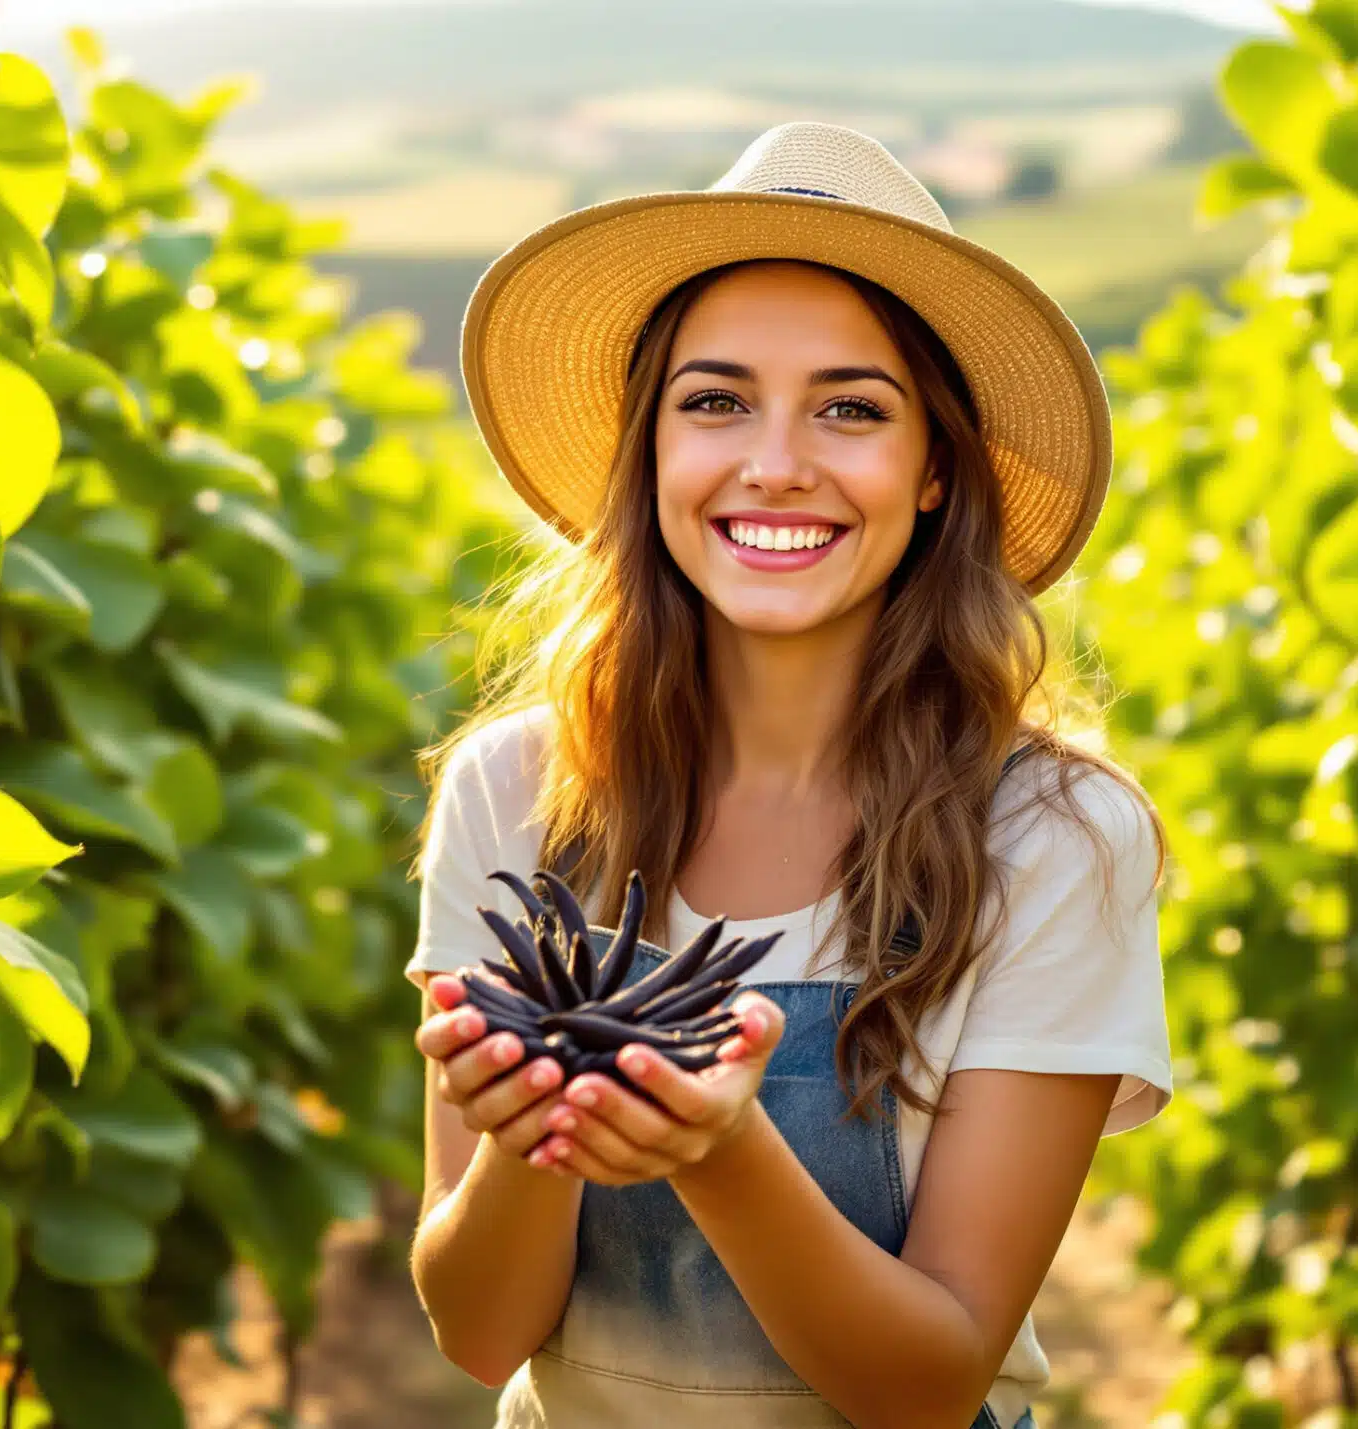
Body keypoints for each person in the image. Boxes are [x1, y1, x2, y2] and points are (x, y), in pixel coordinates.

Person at [401, 123, 1174, 1429]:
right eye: (714, 401)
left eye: (851, 409)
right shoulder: (514, 791)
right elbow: (480, 1335)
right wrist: (532, 1140)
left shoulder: (1055, 839)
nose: (774, 461)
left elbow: (929, 1384)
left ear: (935, 470)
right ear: (648, 453)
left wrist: (712, 1147)